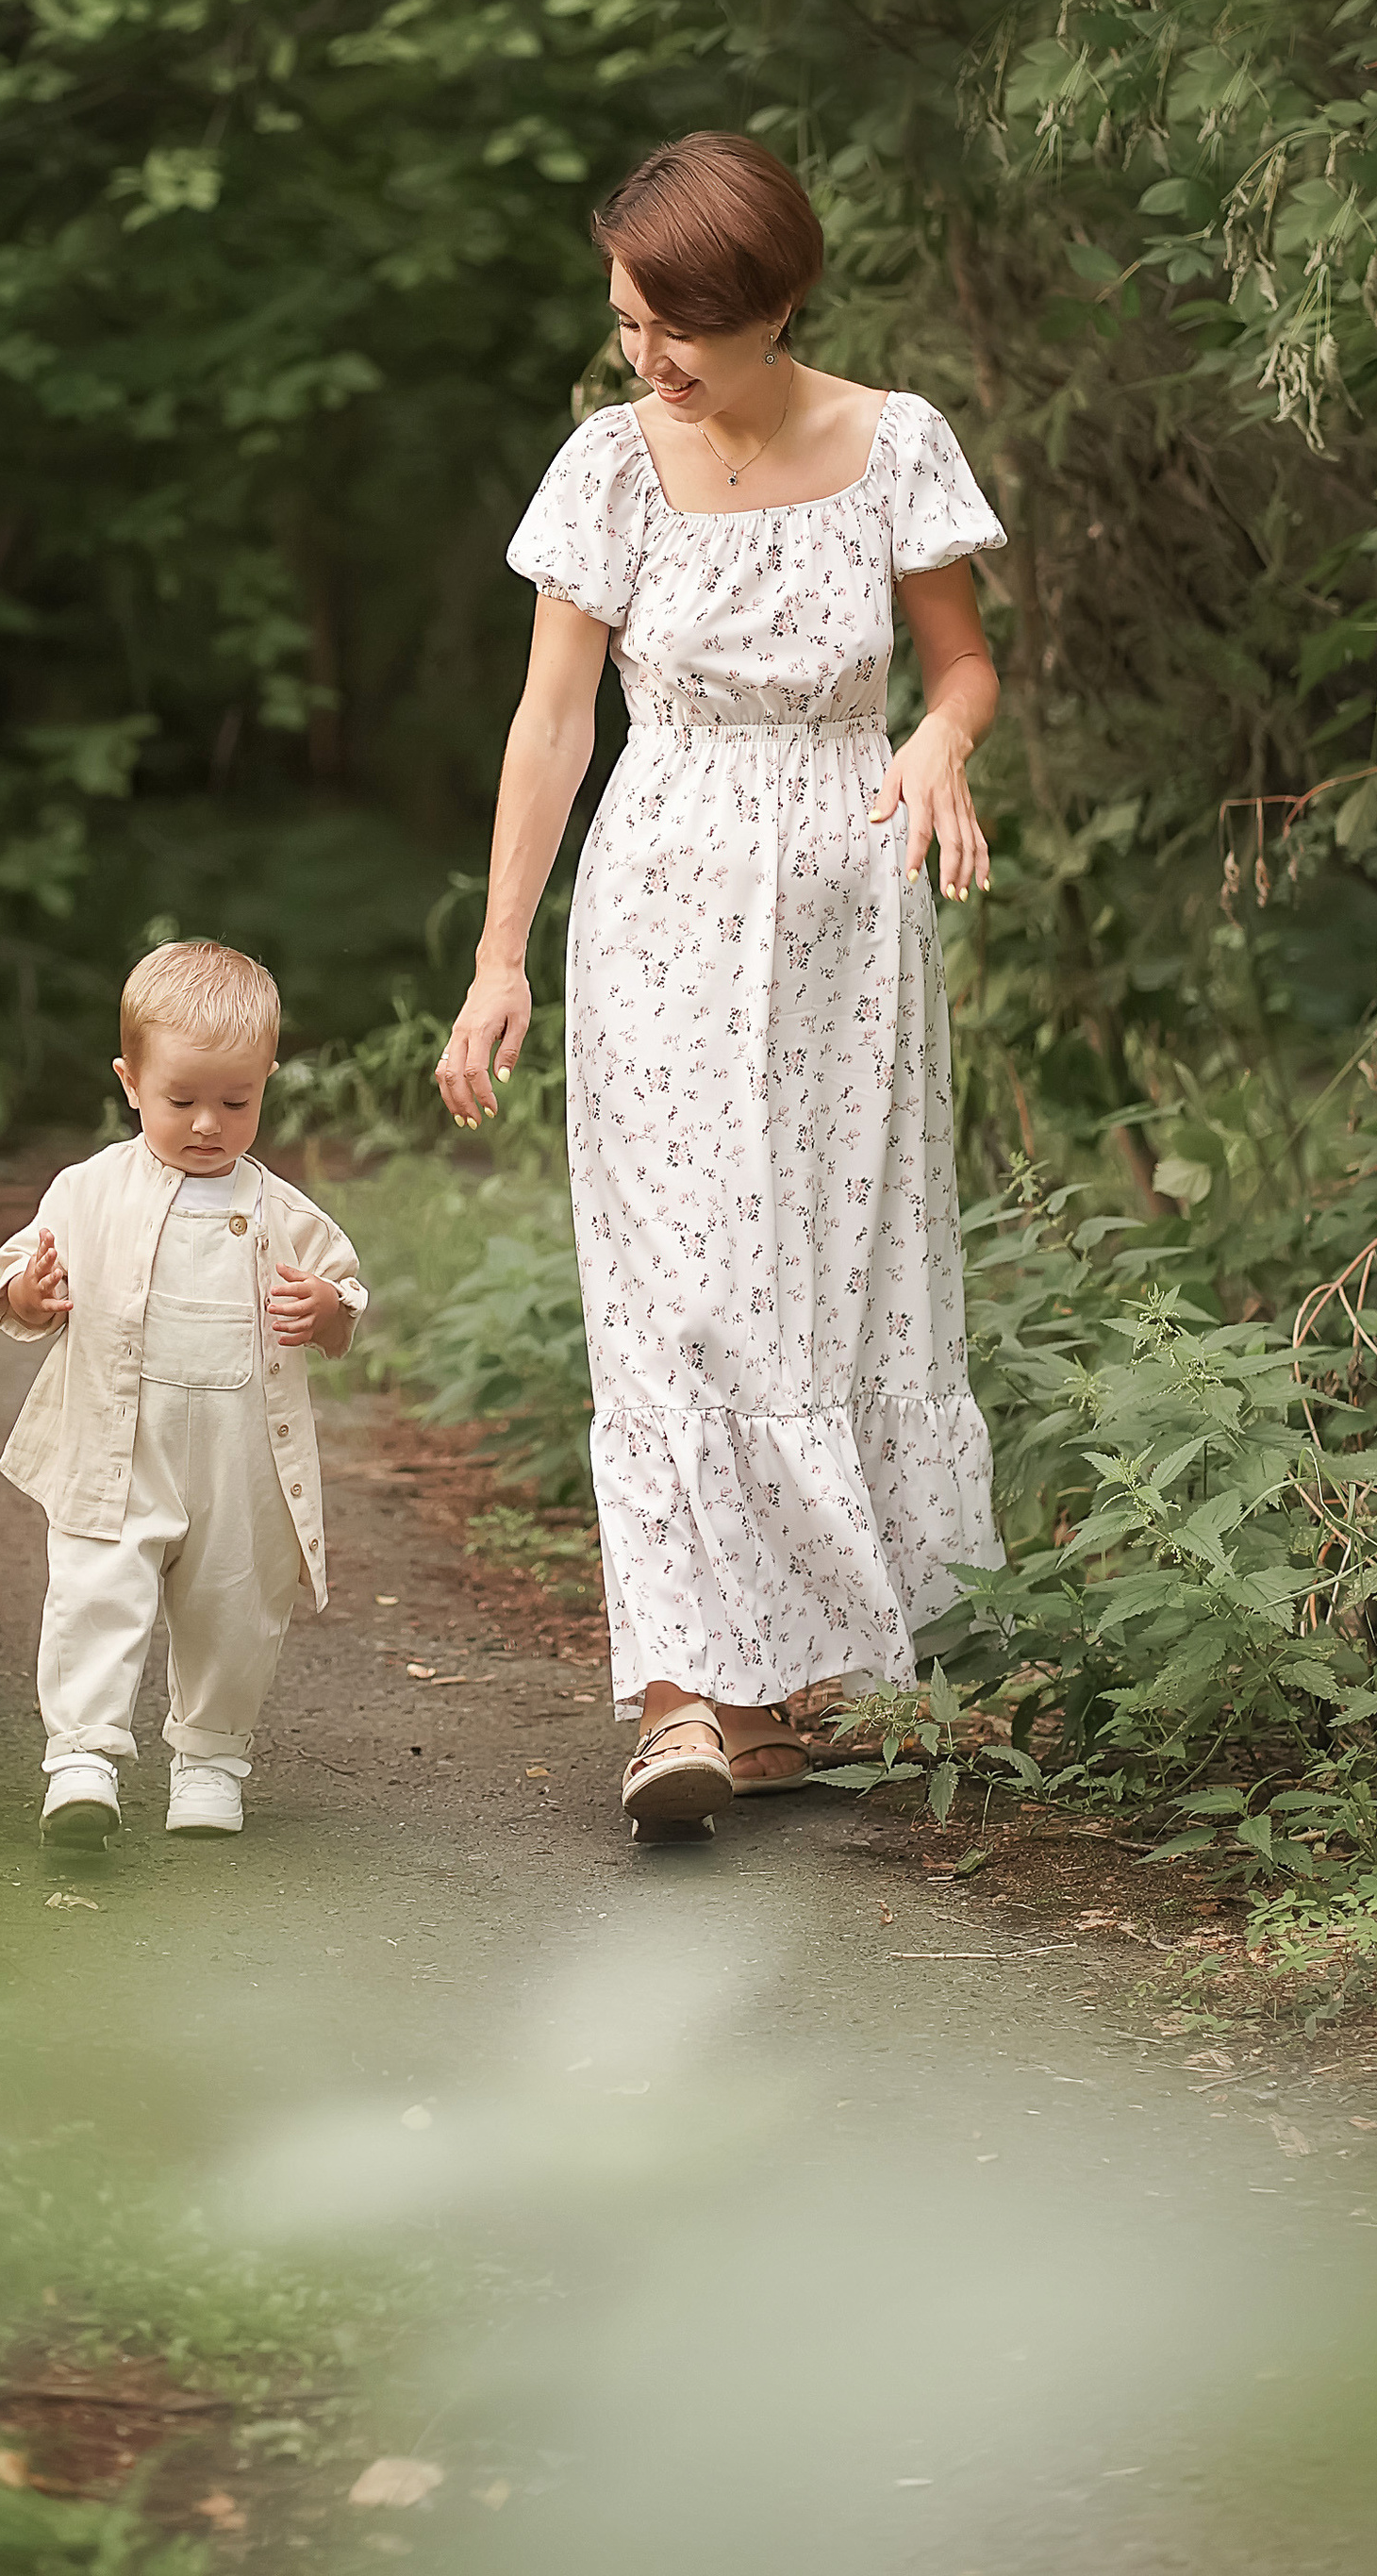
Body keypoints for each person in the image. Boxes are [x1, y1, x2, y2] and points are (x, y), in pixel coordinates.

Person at [436, 131, 1007, 1835]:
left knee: (820, 1282)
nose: (650, 360)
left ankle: (781, 1700)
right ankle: (681, 1702)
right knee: (678, 1293)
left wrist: (938, 741)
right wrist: (497, 958)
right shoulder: (610, 469)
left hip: (847, 919)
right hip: (660, 906)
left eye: (677, 326)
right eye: (627, 323)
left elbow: (963, 662)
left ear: (777, 304)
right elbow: (553, 723)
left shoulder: (895, 442)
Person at [0, 940, 365, 1850]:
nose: (206, 1124)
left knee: (235, 1603)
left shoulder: (284, 1212)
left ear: (266, 1082)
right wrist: (31, 1294)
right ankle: (83, 1757)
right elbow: (14, 1281)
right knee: (94, 1589)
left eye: (236, 1102)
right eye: (180, 1099)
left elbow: (343, 1293)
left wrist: (323, 1308)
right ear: (130, 1081)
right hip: (117, 1447)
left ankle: (211, 1762)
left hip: (239, 1458)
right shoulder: (88, 1190)